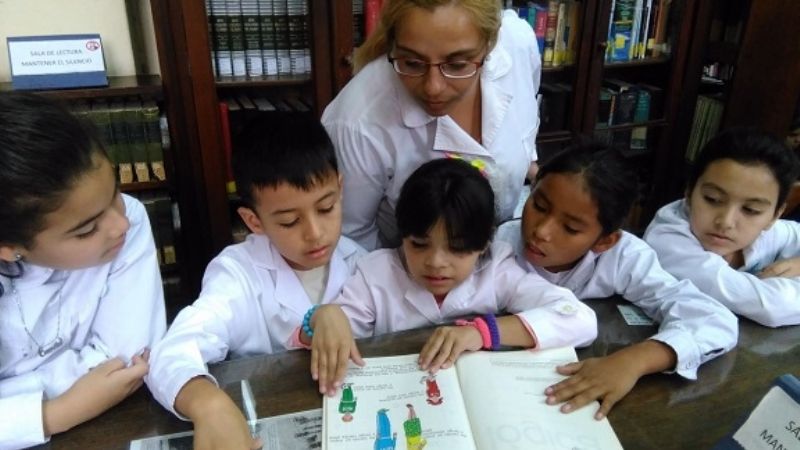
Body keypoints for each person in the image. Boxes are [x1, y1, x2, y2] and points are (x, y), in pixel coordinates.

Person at [146, 114, 365, 450]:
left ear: (340, 187)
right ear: (254, 221)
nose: (315, 233)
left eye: (326, 207)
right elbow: (171, 352)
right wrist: (208, 405)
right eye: (290, 221)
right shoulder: (238, 273)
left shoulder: (359, 261)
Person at [307, 158, 596, 395]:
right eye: (419, 244)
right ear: (402, 235)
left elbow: (579, 320)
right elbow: (333, 338)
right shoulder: (376, 274)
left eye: (457, 248)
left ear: (484, 244)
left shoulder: (496, 270)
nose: (436, 263)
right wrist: (325, 318)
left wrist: (482, 332)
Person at [495, 142, 738, 419]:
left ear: (604, 241)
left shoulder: (624, 257)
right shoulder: (498, 245)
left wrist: (633, 361)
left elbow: (713, 319)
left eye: (571, 228)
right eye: (538, 205)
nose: (541, 231)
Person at [0, 92, 166, 449]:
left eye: (115, 193)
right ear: (10, 249)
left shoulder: (129, 219)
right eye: (86, 230)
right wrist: (57, 412)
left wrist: (12, 401)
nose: (119, 224)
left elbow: (129, 360)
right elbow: (102, 380)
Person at [322, 0, 542, 250]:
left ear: (490, 45)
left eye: (457, 65)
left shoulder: (519, 43)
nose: (433, 88)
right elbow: (351, 240)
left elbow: (526, 107)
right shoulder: (356, 121)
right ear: (393, 45)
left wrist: (529, 164)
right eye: (412, 63)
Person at [644, 127, 800, 327]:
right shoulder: (667, 240)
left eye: (751, 210)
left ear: (775, 216)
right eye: (712, 199)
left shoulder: (769, 230)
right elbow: (773, 306)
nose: (726, 222)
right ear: (689, 192)